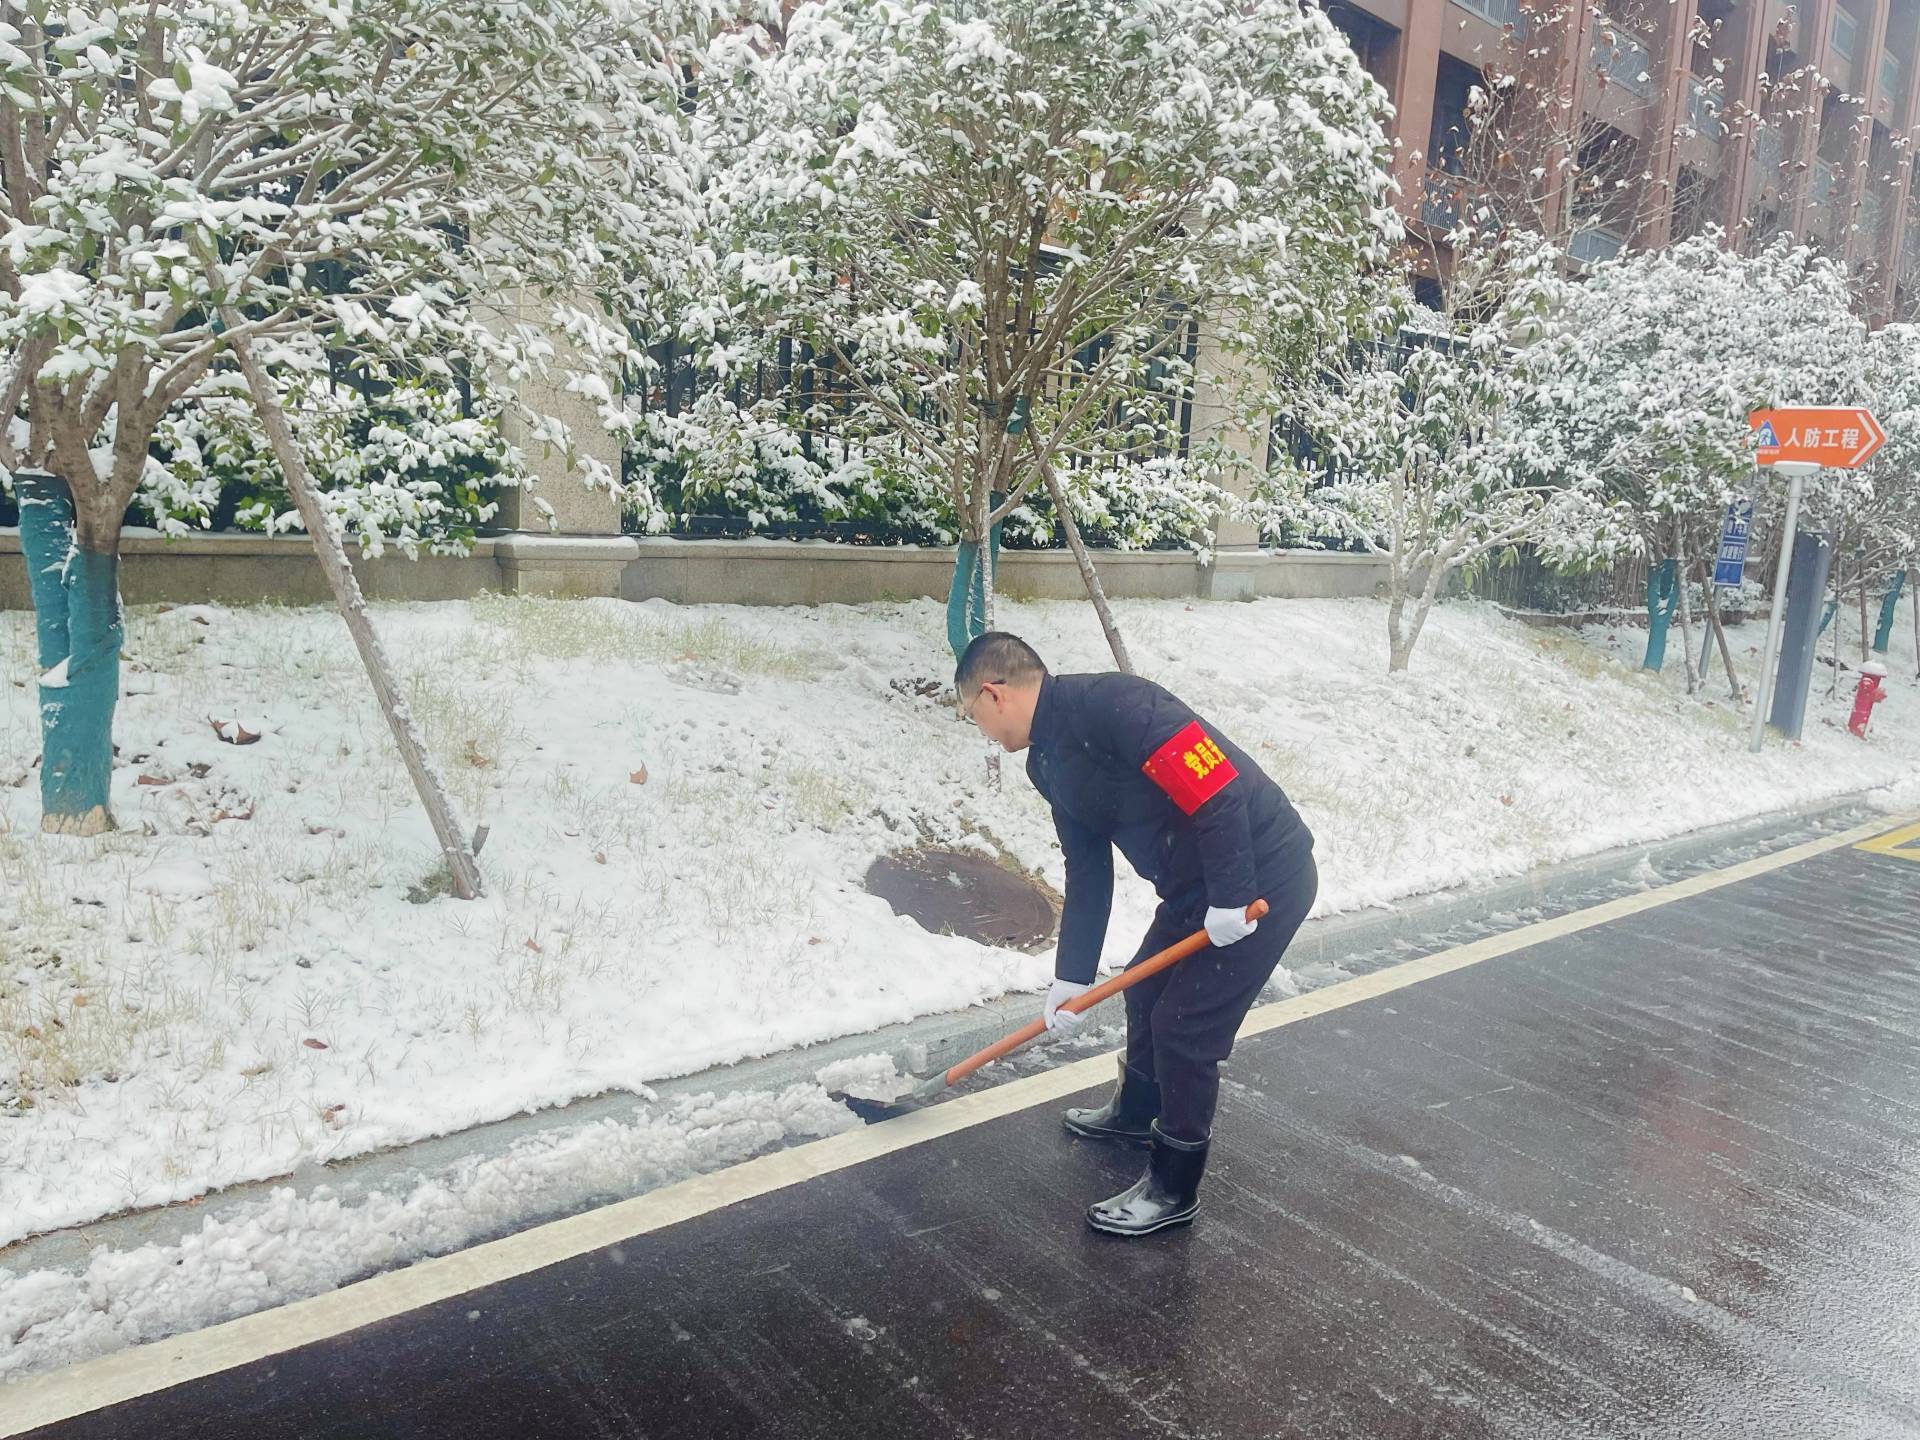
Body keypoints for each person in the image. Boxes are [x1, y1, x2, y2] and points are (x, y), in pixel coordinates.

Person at [956, 631, 1317, 1237]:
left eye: (975, 717)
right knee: (1144, 994)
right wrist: (1069, 977)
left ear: (994, 694)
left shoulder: (1122, 704)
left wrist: (1230, 897)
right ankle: (1136, 1112)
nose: (983, 732)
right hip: (1195, 885)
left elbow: (1218, 787)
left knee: (1184, 1026)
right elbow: (1088, 869)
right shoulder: (1046, 763)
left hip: (1262, 878)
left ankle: (1173, 1184)